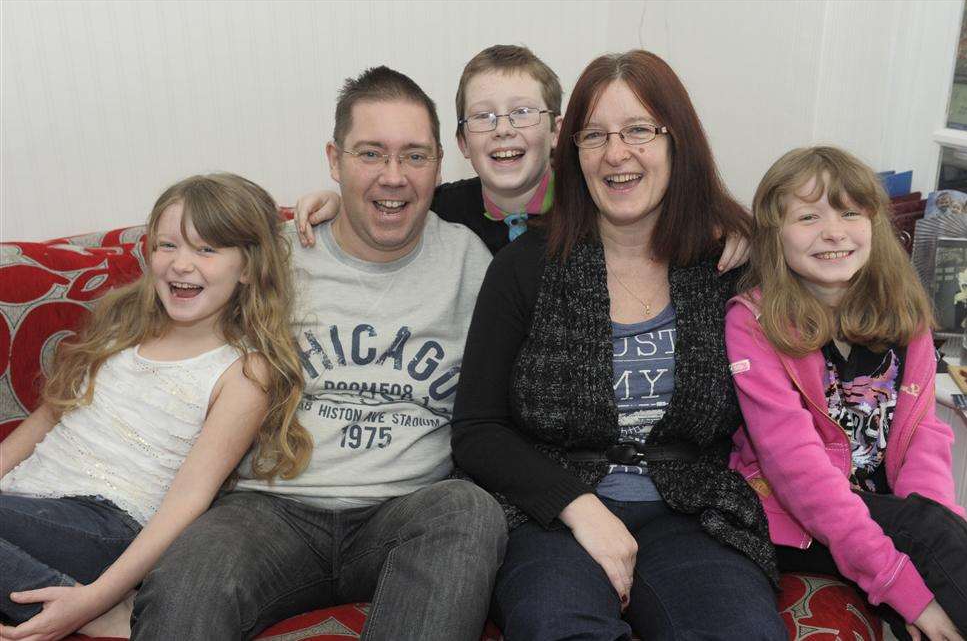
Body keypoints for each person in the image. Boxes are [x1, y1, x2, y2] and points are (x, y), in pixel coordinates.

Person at [130, 66, 506, 641]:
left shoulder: (470, 262)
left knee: (469, 511)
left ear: (439, 165)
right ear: (334, 161)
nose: (393, 176)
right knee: (189, 576)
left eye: (414, 156)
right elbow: (157, 320)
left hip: (404, 511)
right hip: (269, 511)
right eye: (370, 154)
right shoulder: (276, 257)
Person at [451, 49, 785, 640]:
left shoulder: (725, 263)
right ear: (571, 151)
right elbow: (477, 428)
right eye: (595, 135)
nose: (616, 153)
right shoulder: (525, 267)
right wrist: (578, 509)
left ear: (677, 142)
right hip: (553, 517)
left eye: (639, 130)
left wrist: (757, 240)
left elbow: (831, 272)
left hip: (692, 513)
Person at [0, 173, 311, 640]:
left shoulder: (243, 371)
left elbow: (189, 500)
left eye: (206, 250)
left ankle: (93, 608)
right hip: (25, 507)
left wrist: (100, 591)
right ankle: (67, 604)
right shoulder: (123, 323)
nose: (181, 265)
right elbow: (47, 418)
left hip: (108, 526)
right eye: (168, 246)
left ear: (248, 267)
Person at [727, 146, 967, 641]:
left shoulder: (905, 314)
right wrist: (900, 581)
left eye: (850, 212)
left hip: (895, 517)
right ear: (775, 238)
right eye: (808, 216)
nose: (833, 231)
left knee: (935, 536)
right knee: (927, 543)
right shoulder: (753, 323)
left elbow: (923, 439)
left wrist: (936, 534)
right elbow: (800, 476)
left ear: (874, 224)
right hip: (793, 518)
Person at [294, 44, 751, 270]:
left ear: (556, 131)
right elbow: (386, 199)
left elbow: (672, 206)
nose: (504, 129)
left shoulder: (603, 204)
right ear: (461, 145)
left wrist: (726, 228)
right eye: (483, 117)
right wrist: (337, 203)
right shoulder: (441, 209)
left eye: (522, 113)